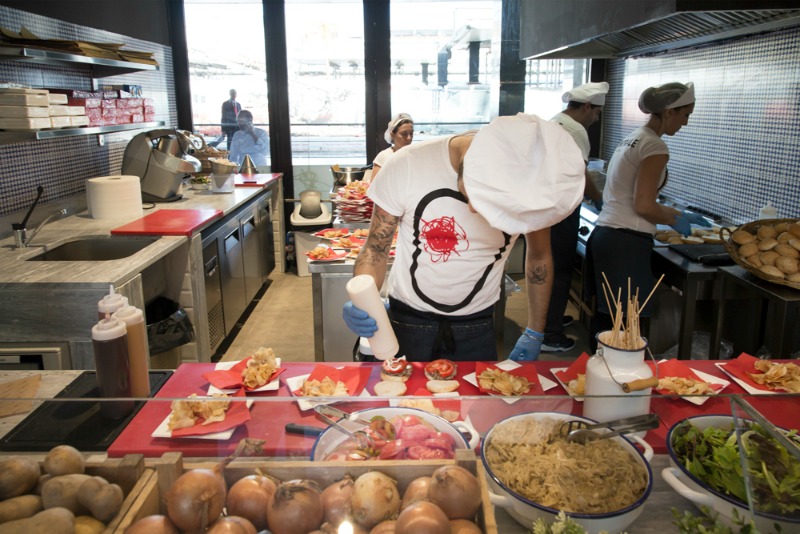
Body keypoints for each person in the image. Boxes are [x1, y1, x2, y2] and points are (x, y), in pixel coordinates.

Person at [342, 113, 585, 362]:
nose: (471, 210)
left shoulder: (535, 190)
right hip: (407, 320)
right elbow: (376, 248)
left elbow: (539, 255)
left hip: (478, 326)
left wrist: (535, 331)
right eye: (471, 195)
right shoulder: (406, 164)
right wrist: (365, 299)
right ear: (466, 165)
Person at [586, 81, 710, 351]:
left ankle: (595, 378)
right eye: (685, 115)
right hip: (625, 243)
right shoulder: (655, 146)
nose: (686, 123)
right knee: (624, 328)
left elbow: (633, 197)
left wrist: (674, 213)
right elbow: (644, 205)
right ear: (669, 112)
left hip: (608, 235)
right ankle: (614, 383)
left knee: (608, 320)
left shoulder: (634, 137)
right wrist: (675, 219)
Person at [542, 82, 608, 352]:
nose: (596, 118)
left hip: (545, 209)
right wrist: (598, 197)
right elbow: (581, 172)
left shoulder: (553, 122)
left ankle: (550, 320)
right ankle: (551, 334)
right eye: (597, 112)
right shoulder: (575, 129)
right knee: (560, 271)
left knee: (548, 268)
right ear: (588, 106)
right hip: (562, 209)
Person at [370, 113, 414, 182]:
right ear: (392, 135)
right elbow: (374, 186)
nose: (409, 138)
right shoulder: (384, 156)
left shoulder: (415, 155)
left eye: (411, 133)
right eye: (404, 134)